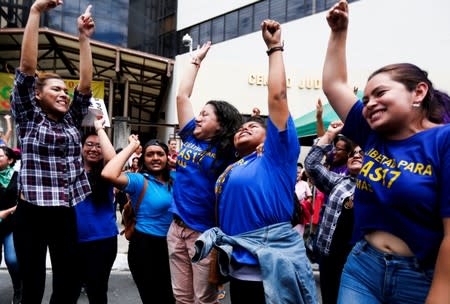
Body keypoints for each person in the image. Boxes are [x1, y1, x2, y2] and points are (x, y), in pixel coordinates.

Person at [322, 1, 450, 303]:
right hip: (362, 269)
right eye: (365, 99)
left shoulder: (444, 141)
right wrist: (339, 33)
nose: (369, 104)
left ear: (418, 92)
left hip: (420, 278)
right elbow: (334, 84)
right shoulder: (371, 132)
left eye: (380, 93)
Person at [193, 20, 317, 304]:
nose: (244, 128)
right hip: (239, 268)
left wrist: (274, 48)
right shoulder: (232, 167)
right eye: (241, 127)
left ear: (270, 138)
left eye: (254, 126)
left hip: (271, 270)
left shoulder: (276, 156)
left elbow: (277, 98)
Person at [10, 1, 95, 302]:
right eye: (54, 89)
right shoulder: (29, 116)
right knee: (32, 285)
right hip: (31, 213)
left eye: (63, 89)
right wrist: (35, 12)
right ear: (37, 95)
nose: (62, 93)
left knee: (69, 283)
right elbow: (27, 69)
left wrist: (83, 38)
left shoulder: (72, 118)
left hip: (65, 212)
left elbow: (84, 87)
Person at [167, 39, 242, 303]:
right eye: (198, 113)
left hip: (204, 234)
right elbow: (181, 96)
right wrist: (195, 61)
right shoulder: (191, 137)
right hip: (176, 228)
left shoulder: (228, 151)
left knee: (203, 299)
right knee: (181, 297)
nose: (197, 117)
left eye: (205, 114)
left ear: (221, 125)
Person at [102, 136, 175, 304]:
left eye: (160, 154)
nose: (155, 158)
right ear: (143, 158)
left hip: (174, 246)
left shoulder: (176, 179)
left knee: (174, 298)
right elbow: (108, 173)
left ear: (167, 157)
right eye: (150, 154)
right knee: (154, 299)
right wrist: (132, 146)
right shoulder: (138, 180)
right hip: (145, 248)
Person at [305, 121, 363, 304]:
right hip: (329, 258)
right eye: (353, 153)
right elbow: (312, 165)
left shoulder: (379, 187)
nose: (356, 155)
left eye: (362, 153)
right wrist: (330, 134)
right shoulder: (339, 181)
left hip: (359, 263)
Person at [74, 117, 118, 304]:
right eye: (89, 144)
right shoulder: (71, 170)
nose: (94, 148)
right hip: (72, 239)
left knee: (97, 290)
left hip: (103, 240)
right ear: (81, 147)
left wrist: (100, 129)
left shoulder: (108, 172)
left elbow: (112, 157)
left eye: (98, 146)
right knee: (68, 289)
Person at [0, 146, 22, 304]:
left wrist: (6, 212)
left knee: (12, 260)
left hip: (11, 226)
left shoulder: (18, 177)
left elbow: (23, 201)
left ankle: (18, 289)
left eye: (0, 156)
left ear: (10, 160)